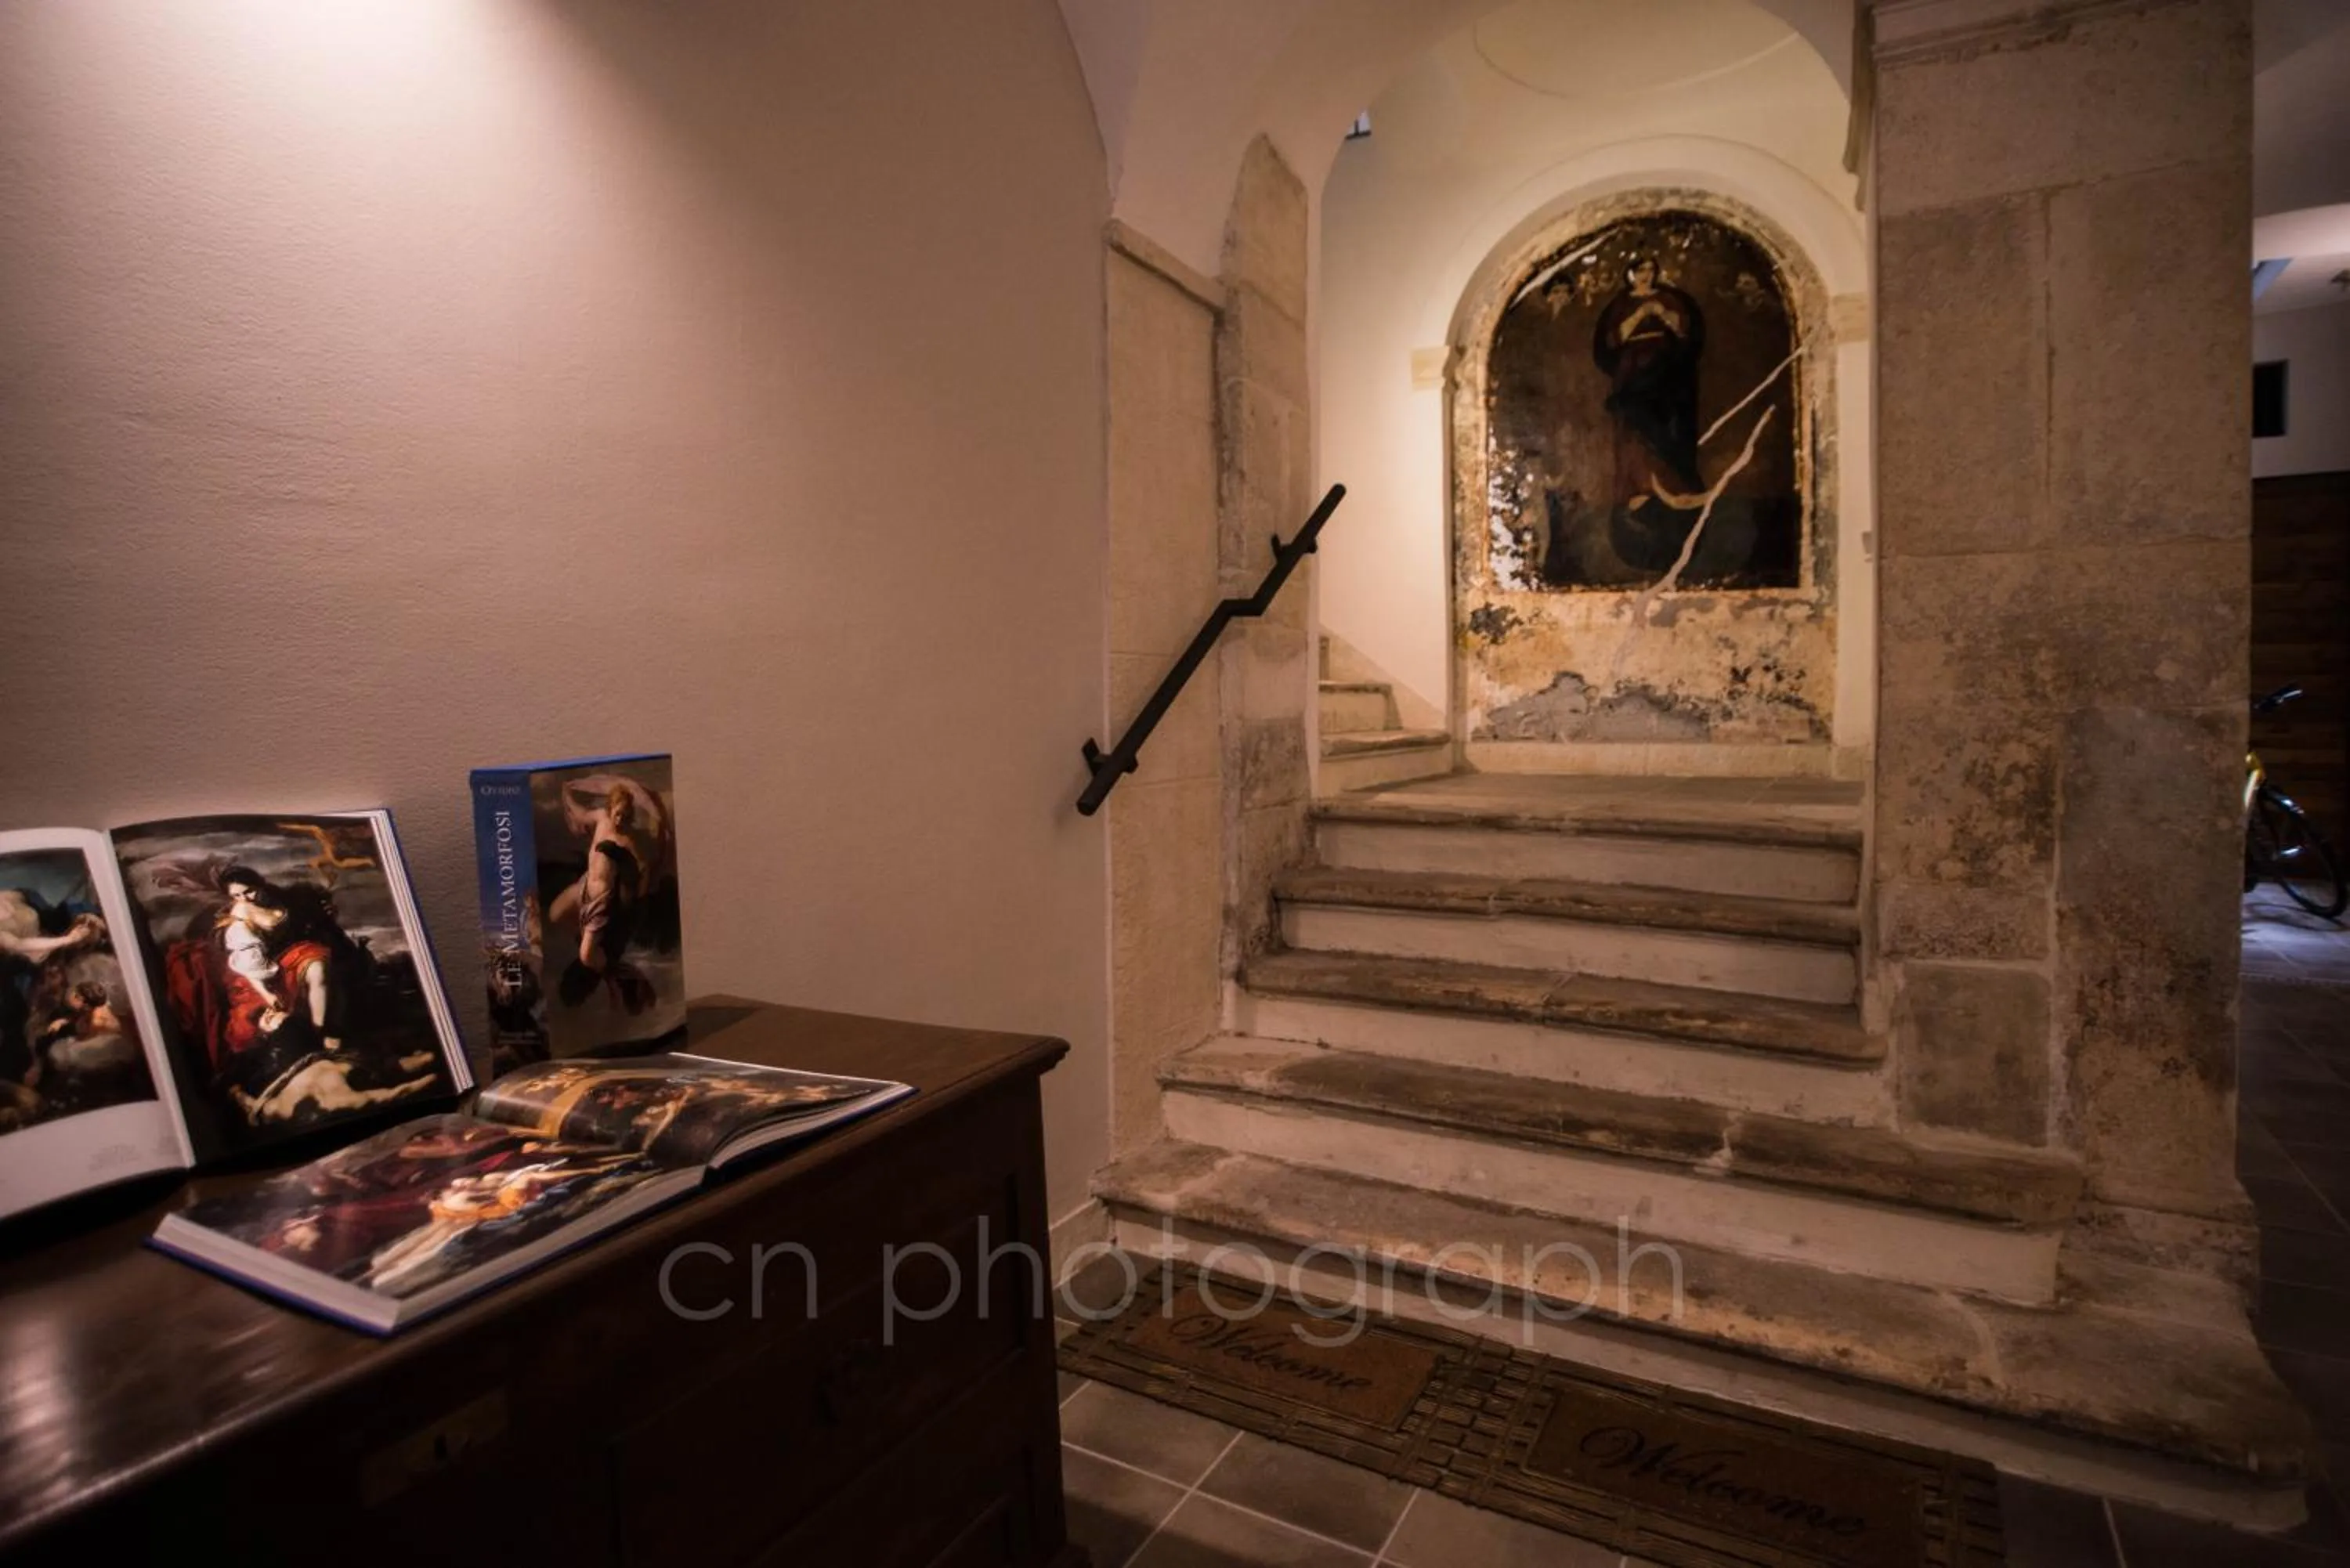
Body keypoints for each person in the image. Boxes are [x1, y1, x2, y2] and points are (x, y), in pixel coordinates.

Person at [1592, 255, 1708, 515]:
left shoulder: (1669, 298)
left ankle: (1678, 487)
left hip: (1666, 369)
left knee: (1666, 426)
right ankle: (1637, 490)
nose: (1646, 274)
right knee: (1633, 429)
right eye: (1641, 269)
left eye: (1650, 269)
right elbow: (1611, 341)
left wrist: (1663, 313)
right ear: (1631, 273)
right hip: (1632, 369)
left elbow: (1683, 332)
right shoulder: (1621, 304)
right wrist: (1639, 315)